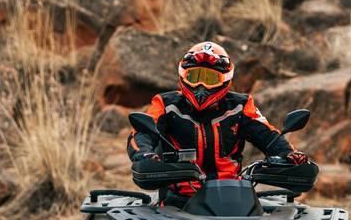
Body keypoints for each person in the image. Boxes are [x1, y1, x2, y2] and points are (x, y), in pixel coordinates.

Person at [127, 41, 308, 197]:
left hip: (234, 199)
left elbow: (269, 137)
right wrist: (144, 154)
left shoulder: (241, 106)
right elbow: (142, 133)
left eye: (210, 78)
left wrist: (289, 155)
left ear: (225, 80)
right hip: (179, 200)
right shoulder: (166, 104)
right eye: (195, 76)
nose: (201, 86)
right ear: (183, 76)